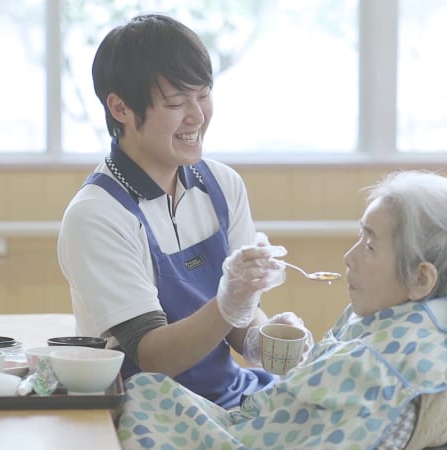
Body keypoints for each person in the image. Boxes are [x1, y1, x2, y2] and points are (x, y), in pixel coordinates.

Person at [116, 170, 447, 450]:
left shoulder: (385, 370)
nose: (349, 257)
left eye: (369, 245)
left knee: (143, 398)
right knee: (147, 392)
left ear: (421, 278)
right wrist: (302, 360)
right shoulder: (407, 321)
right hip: (261, 421)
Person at [57, 13, 309, 409]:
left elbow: (240, 320)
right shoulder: (97, 216)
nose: (197, 116)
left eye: (203, 95)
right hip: (151, 412)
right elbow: (153, 356)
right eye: (176, 102)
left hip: (230, 396)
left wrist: (263, 338)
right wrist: (228, 302)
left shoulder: (222, 186)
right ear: (120, 108)